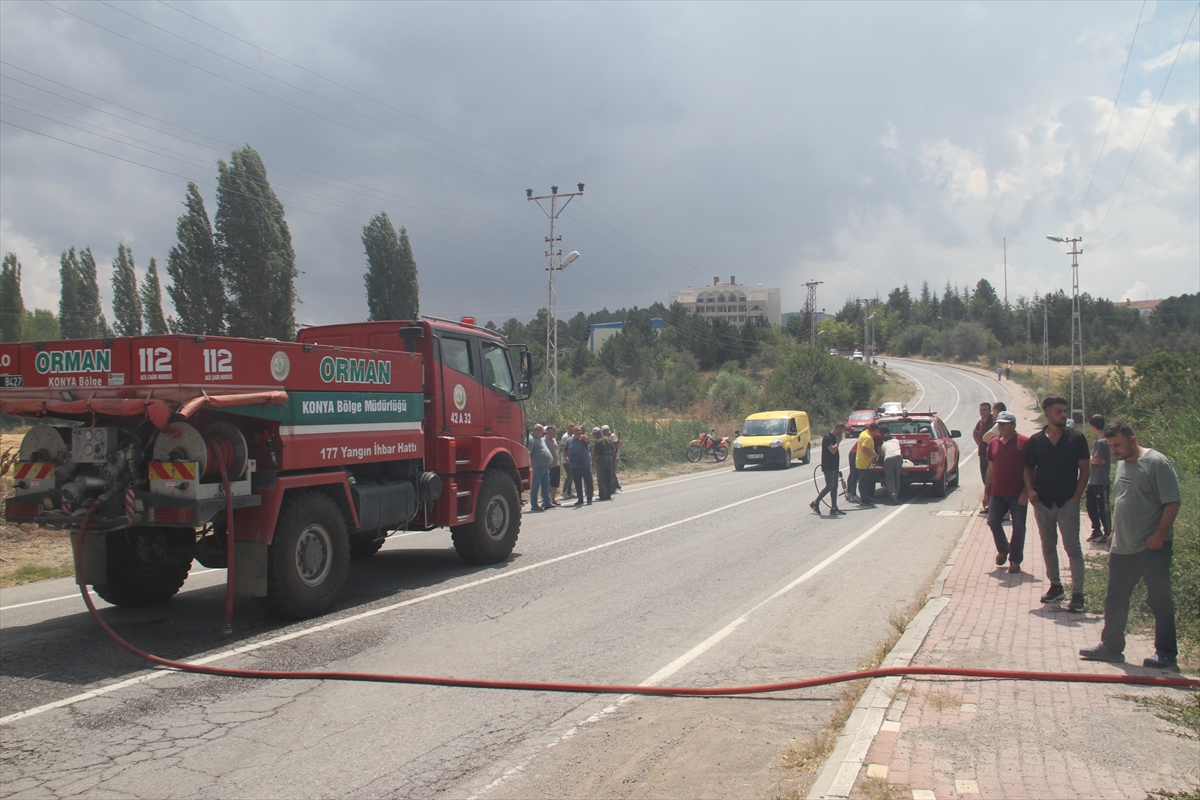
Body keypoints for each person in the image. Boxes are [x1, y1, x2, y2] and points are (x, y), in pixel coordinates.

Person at [1079, 421, 1181, 670]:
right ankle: (1111, 647)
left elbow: (1173, 502)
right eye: (1111, 446)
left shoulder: (1157, 463)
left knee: (1159, 599)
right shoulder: (1123, 461)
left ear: (1133, 440)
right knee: (1115, 598)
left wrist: (1159, 535)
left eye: (1118, 445)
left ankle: (1166, 655)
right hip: (1123, 547)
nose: (1114, 451)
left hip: (1151, 548)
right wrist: (1113, 532)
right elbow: (1124, 499)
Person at [1024, 395, 1090, 611]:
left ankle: (1078, 594)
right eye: (1059, 411)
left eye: (1065, 411)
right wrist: (1031, 490)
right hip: (1043, 503)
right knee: (1047, 547)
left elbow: (1085, 470)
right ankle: (1055, 586)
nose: (1064, 415)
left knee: (1073, 548)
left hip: (1067, 503)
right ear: (1048, 414)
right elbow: (1028, 469)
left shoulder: (1076, 438)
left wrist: (1076, 498)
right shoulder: (1035, 441)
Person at [985, 411, 1028, 573]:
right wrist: (986, 492)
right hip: (997, 492)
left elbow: (1030, 469)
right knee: (993, 521)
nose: (1001, 427)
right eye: (999, 424)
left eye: (1004, 424)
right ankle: (1003, 548)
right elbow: (990, 469)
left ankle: (1015, 560)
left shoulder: (1024, 442)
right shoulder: (993, 443)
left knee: (1019, 526)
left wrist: (1026, 491)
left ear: (1013, 425)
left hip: (1017, 492)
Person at [1086, 414, 1113, 544]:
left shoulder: (1101, 442)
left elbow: (1096, 460)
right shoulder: (1103, 441)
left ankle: (1108, 532)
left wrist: (1089, 460)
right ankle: (1096, 530)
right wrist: (1095, 460)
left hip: (1101, 480)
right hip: (1094, 480)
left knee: (1103, 507)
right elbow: (1097, 460)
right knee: (1090, 505)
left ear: (1092, 426)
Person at [811, 422, 846, 515]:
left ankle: (834, 508)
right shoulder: (828, 438)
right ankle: (815, 503)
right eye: (841, 432)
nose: (841, 434)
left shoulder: (834, 438)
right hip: (828, 466)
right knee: (829, 486)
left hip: (834, 465)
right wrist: (838, 442)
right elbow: (833, 450)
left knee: (835, 487)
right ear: (837, 430)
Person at [525, 424, 554, 512]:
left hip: (545, 466)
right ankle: (534, 504)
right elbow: (528, 453)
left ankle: (547, 502)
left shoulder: (539, 439)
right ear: (537, 431)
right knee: (535, 486)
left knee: (546, 484)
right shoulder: (530, 439)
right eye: (542, 432)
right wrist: (531, 466)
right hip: (537, 466)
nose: (543, 434)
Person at [973, 402, 995, 514]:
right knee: (985, 479)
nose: (982, 412)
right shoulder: (980, 422)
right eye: (981, 410)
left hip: (991, 456)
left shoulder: (993, 422)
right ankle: (989, 504)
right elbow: (975, 432)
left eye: (985, 410)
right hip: (982, 455)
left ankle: (992, 506)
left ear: (990, 410)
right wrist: (979, 443)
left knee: (991, 480)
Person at [565, 427, 594, 506]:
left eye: (579, 431)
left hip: (585, 464)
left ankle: (589, 499)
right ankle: (580, 499)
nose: (578, 432)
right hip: (574, 465)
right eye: (577, 431)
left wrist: (586, 439)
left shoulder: (583, 439)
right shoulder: (569, 440)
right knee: (577, 483)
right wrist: (566, 457)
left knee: (588, 482)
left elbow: (587, 440)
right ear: (573, 431)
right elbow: (565, 450)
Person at [854, 422, 879, 505]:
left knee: (864, 481)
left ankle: (865, 497)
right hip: (864, 462)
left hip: (862, 461)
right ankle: (864, 499)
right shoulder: (867, 438)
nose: (876, 434)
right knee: (863, 482)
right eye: (876, 432)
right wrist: (874, 454)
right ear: (874, 430)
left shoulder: (863, 433)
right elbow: (864, 449)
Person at [879, 426, 903, 504]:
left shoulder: (883, 445)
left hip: (888, 459)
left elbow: (882, 455)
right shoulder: (896, 441)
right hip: (898, 458)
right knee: (897, 477)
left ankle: (892, 493)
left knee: (890, 478)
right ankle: (897, 493)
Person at [593, 426, 616, 501]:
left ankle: (602, 495)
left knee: (601, 477)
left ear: (597, 433)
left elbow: (597, 455)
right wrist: (613, 459)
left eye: (594, 434)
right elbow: (613, 450)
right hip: (609, 458)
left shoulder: (598, 442)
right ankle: (608, 494)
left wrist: (593, 462)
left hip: (602, 459)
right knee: (608, 476)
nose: (594, 435)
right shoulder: (607, 440)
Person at [546, 424, 562, 507]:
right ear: (548, 432)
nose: (555, 433)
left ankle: (553, 499)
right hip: (549, 465)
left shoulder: (554, 440)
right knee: (548, 483)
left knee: (555, 483)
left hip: (556, 464)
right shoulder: (544, 440)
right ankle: (547, 499)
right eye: (554, 431)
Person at [605, 425, 622, 492]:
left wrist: (614, 456)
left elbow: (618, 443)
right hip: (612, 457)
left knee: (612, 472)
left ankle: (617, 487)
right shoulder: (609, 436)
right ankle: (614, 486)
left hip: (615, 457)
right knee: (612, 472)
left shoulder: (612, 436)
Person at [560, 426, 575, 500]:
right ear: (569, 428)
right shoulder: (565, 437)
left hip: (572, 459)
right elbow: (563, 448)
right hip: (566, 460)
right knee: (570, 475)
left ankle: (569, 491)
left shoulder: (572, 436)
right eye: (573, 429)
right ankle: (564, 490)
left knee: (572, 475)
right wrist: (566, 456)